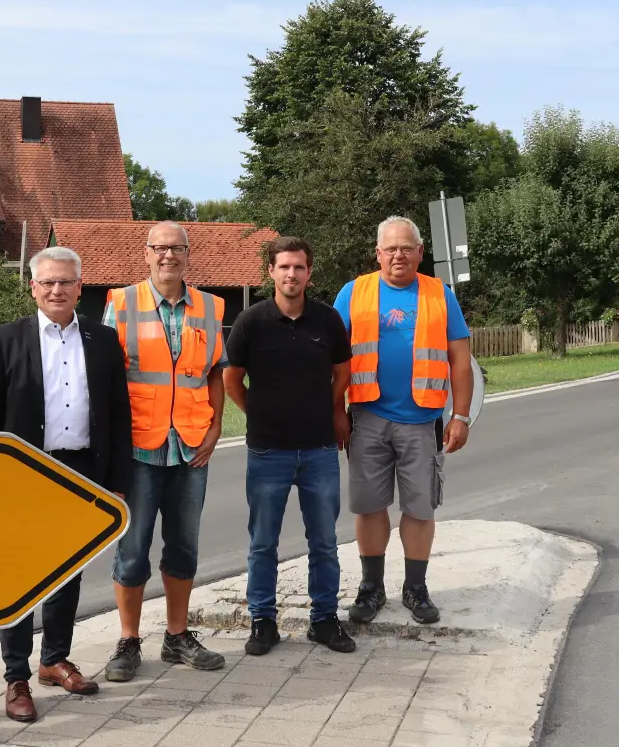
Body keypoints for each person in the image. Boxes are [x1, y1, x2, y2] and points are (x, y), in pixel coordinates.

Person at [0, 246, 132, 722]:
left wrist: (116, 480)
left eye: (65, 282)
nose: (56, 290)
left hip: (82, 470)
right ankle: (16, 676)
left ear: (79, 288)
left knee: (69, 568)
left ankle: (54, 658)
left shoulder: (104, 339)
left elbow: (117, 414)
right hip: (25, 472)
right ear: (32, 287)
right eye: (47, 282)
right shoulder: (6, 339)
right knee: (20, 573)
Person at [100, 221, 228, 682]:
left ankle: (177, 636)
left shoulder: (211, 307)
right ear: (147, 254)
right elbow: (108, 376)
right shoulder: (121, 302)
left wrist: (215, 428)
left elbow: (216, 372)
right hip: (139, 447)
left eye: (176, 248)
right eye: (160, 248)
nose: (168, 256)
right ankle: (128, 641)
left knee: (184, 547)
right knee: (132, 550)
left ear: (188, 255)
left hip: (192, 446)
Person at [333, 216, 473, 626]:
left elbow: (461, 362)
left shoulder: (439, 294)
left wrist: (460, 416)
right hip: (366, 416)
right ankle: (371, 588)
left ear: (420, 253)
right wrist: (334, 413)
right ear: (378, 253)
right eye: (390, 248)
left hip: (422, 420)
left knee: (420, 508)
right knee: (370, 506)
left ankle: (415, 589)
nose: (398, 255)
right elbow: (333, 359)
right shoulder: (352, 292)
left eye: (406, 248)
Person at [223, 236, 357, 655]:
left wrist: (332, 411)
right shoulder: (251, 321)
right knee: (263, 542)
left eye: (299, 267)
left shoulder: (328, 320)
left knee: (324, 541)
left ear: (309, 273)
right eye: (284, 267)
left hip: (319, 450)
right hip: (268, 452)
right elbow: (231, 380)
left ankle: (324, 620)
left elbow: (343, 374)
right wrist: (258, 414)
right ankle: (263, 621)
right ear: (271, 272)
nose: (291, 274)